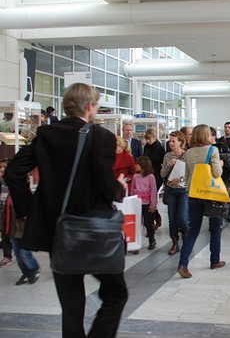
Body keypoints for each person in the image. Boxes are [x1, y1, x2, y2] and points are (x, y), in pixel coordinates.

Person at [4, 82, 128, 338]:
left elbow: (15, 170)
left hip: (56, 229)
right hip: (94, 229)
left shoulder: (46, 134)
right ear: (91, 106)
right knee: (116, 293)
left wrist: (28, 207)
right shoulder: (101, 137)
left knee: (71, 306)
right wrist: (119, 187)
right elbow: (105, 184)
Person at [177, 124, 225, 278]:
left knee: (193, 229)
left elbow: (187, 174)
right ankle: (214, 260)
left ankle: (183, 264)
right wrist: (221, 165)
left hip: (193, 193)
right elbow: (217, 173)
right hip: (210, 194)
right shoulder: (213, 150)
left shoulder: (189, 152)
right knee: (215, 227)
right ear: (205, 135)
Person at [0, 158, 40, 285]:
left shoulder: (21, 190)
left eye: (4, 168)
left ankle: (34, 269)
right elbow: (5, 211)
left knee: (23, 252)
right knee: (18, 253)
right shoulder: (7, 191)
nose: (2, 171)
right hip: (13, 227)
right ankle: (26, 273)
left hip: (23, 227)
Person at [160, 130, 188, 255]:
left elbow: (190, 174)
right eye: (170, 141)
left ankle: (186, 238)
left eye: (173, 141)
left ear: (180, 142)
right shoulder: (167, 156)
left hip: (183, 190)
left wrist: (180, 179)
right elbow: (162, 174)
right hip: (171, 190)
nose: (171, 143)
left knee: (182, 218)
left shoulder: (187, 155)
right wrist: (168, 165)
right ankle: (174, 242)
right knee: (172, 218)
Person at [132, 156, 158, 250]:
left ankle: (152, 239)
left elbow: (153, 191)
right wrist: (132, 201)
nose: (135, 166)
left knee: (148, 223)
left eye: (137, 164)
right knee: (136, 223)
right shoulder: (135, 176)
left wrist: (153, 204)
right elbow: (132, 190)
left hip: (147, 203)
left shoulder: (151, 177)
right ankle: (135, 244)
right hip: (137, 203)